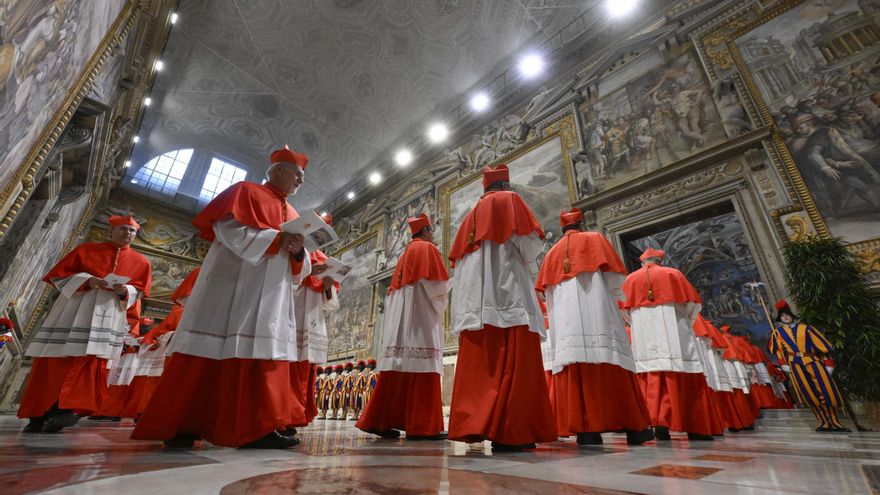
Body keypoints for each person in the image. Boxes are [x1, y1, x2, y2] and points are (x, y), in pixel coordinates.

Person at [132, 145, 313, 449]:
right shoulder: (245, 191)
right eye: (298, 174)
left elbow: (301, 266)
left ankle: (258, 425)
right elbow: (228, 229)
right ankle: (183, 423)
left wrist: (299, 251)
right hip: (233, 285)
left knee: (264, 353)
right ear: (279, 170)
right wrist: (276, 238)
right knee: (212, 347)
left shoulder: (294, 214)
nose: (301, 182)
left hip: (272, 294)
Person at [447, 165, 556, 451]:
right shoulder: (510, 201)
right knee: (515, 356)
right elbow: (530, 247)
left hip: (475, 302)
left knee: (484, 365)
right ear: (506, 185)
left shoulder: (469, 216)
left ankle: (476, 425)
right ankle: (511, 431)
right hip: (506, 292)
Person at [19, 215, 151, 433]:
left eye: (132, 231)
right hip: (76, 309)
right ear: (111, 231)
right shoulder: (86, 250)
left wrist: (126, 290)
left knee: (91, 362)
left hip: (108, 314)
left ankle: (67, 410)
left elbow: (140, 291)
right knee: (56, 359)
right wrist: (87, 280)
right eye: (123, 229)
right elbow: (60, 277)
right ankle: (39, 412)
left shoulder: (142, 262)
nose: (128, 233)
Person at [536, 208, 653, 446]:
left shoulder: (551, 254)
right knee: (611, 359)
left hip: (567, 323)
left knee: (576, 366)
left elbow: (546, 294)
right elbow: (616, 283)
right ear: (581, 224)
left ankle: (586, 430)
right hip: (598, 312)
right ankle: (634, 428)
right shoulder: (595, 239)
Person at [357, 213, 449, 440]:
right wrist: (445, 299)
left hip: (401, 321)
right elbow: (436, 287)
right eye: (431, 231)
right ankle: (422, 426)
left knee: (397, 368)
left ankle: (380, 420)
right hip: (419, 319)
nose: (433, 235)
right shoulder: (427, 249)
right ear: (426, 231)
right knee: (423, 365)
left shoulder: (404, 253)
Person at [622, 248, 715, 441]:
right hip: (675, 331)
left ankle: (658, 423)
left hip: (644, 335)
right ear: (660, 261)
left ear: (642, 262)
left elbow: (624, 310)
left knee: (651, 374)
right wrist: (684, 322)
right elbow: (693, 305)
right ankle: (694, 426)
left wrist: (637, 325)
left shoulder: (630, 280)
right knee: (683, 371)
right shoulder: (673, 274)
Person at [769, 300, 849, 432]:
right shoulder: (777, 333)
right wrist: (783, 364)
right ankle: (823, 421)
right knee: (808, 392)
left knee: (825, 390)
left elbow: (822, 347)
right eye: (782, 316)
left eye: (787, 314)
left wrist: (828, 363)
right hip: (795, 365)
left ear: (792, 315)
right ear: (780, 319)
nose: (785, 317)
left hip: (813, 361)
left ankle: (835, 421)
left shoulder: (807, 329)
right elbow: (778, 351)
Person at [293, 212, 339, 426]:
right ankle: (288, 413)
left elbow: (331, 304)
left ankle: (299, 413)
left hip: (313, 313)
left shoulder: (323, 258)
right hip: (295, 308)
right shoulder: (298, 250)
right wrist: (309, 272)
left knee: (306, 366)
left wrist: (328, 287)